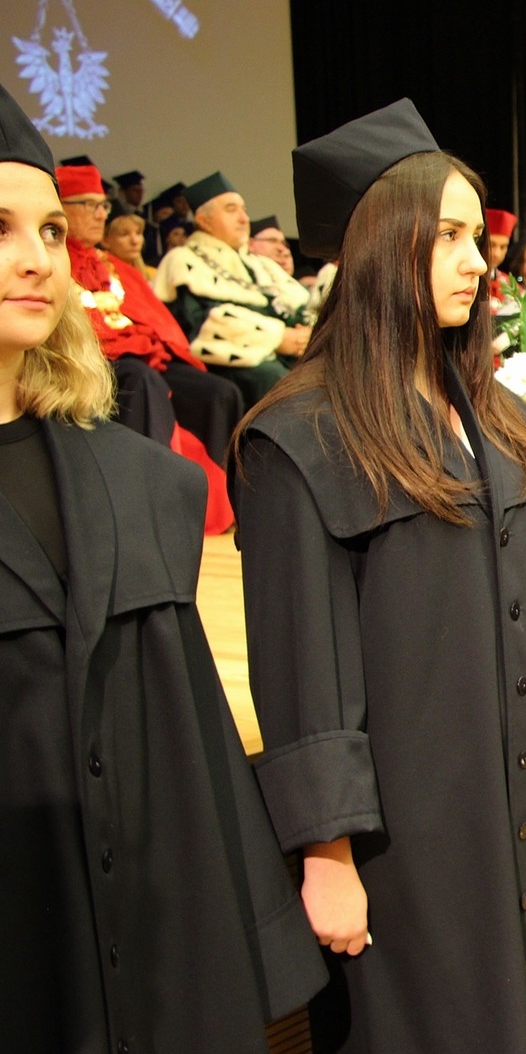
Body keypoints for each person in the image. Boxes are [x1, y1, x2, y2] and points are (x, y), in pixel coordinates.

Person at [231, 98, 526, 1052]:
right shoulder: (299, 439)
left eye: (476, 236)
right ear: (383, 246)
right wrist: (327, 853)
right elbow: (303, 667)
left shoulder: (509, 420)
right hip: (423, 819)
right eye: (447, 235)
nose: (476, 260)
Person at [0, 80, 324, 1054]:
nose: (38, 257)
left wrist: (260, 948)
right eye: (1, 228)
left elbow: (197, 745)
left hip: (160, 962)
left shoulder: (139, 484)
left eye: (49, 230)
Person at [57, 162, 243, 468]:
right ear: (60, 208)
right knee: (141, 379)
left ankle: (223, 491)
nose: (101, 214)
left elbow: (157, 326)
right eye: (90, 205)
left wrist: (148, 344)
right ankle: (152, 488)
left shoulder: (116, 267)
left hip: (142, 359)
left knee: (219, 392)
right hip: (92, 363)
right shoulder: (52, 263)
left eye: (103, 205)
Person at [154, 170, 313, 407]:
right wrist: (277, 337)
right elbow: (197, 322)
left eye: (244, 210)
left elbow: (304, 307)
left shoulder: (261, 265)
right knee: (278, 382)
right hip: (231, 362)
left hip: (291, 352)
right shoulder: (182, 260)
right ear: (203, 220)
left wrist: (307, 334)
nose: (243, 219)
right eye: (231, 210)